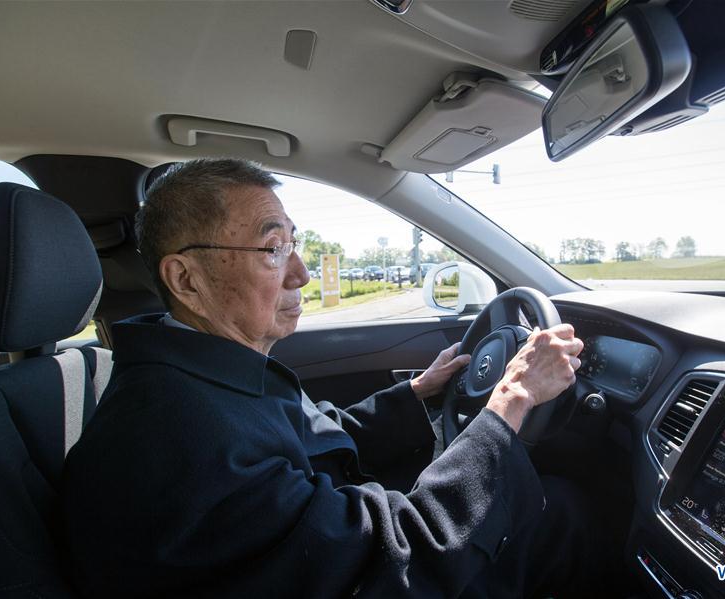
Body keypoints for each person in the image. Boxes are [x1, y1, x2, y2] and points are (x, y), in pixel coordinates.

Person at [63, 159, 591, 598]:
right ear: (185, 278)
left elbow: (307, 439)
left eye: (294, 244)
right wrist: (512, 401)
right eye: (273, 250)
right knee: (563, 513)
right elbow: (389, 564)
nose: (301, 274)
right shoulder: (179, 440)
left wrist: (414, 394)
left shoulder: (197, 373)